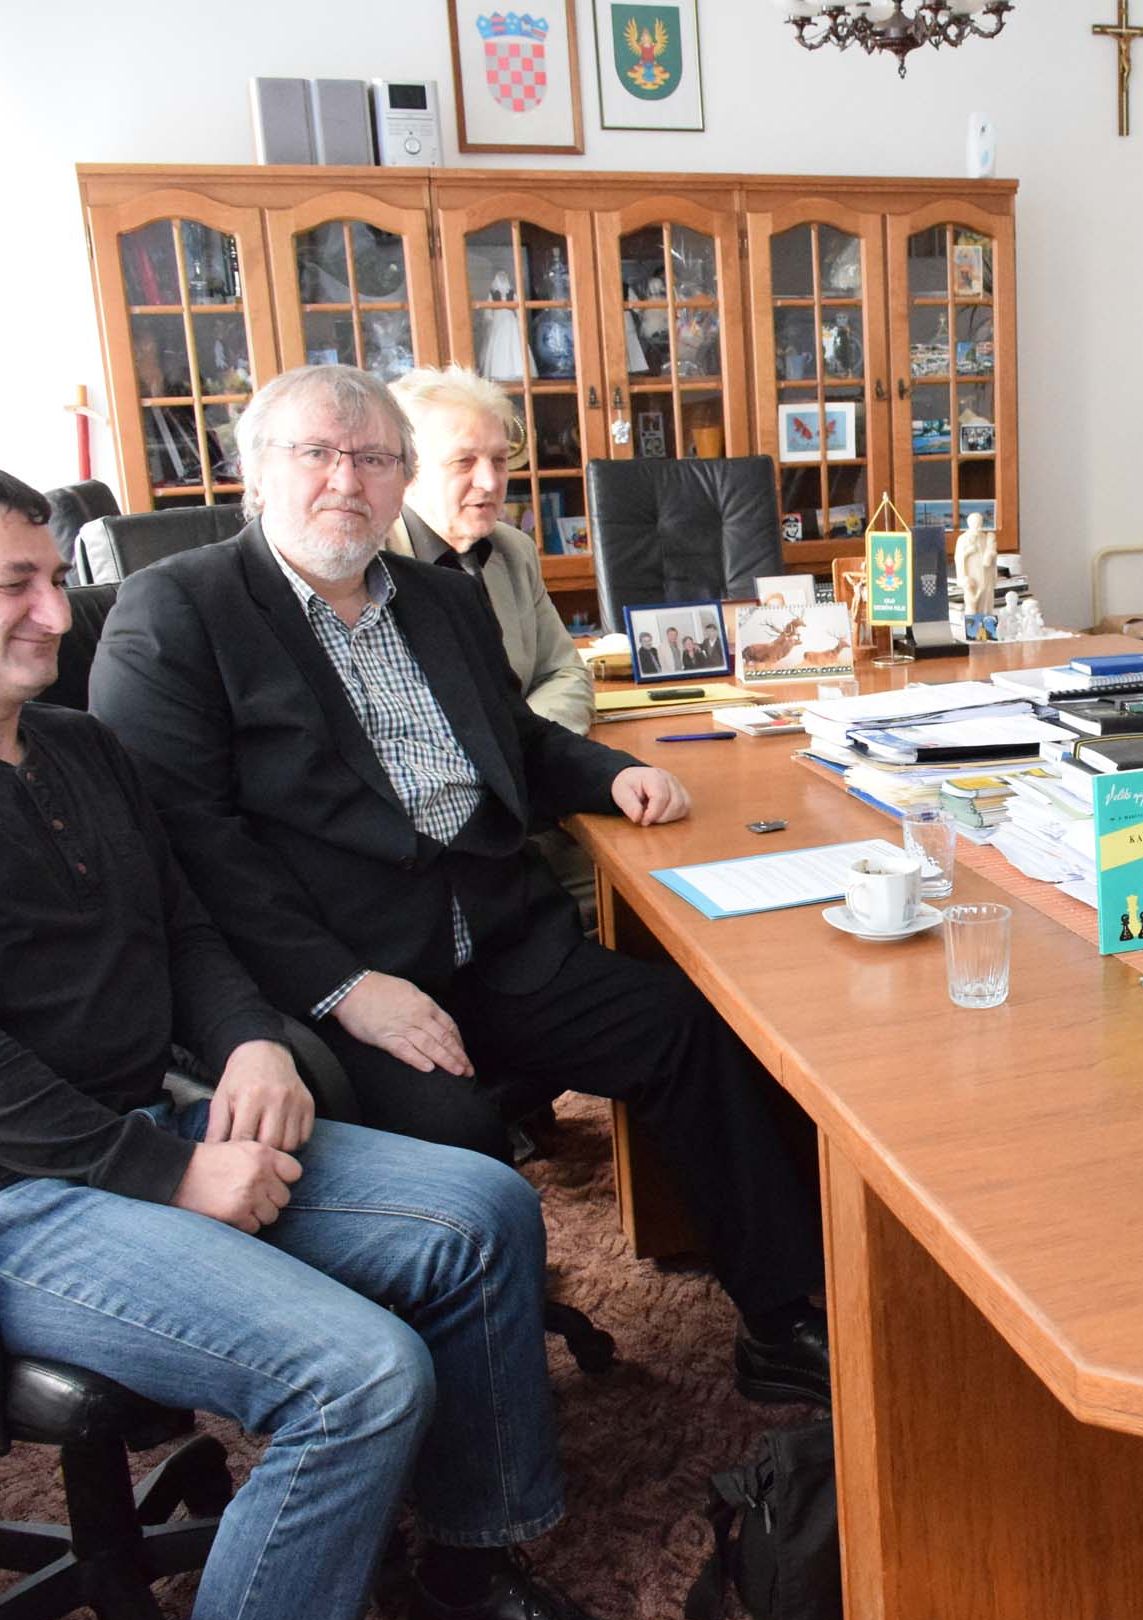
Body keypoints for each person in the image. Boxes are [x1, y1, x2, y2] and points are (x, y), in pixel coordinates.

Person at [90, 364, 830, 1408]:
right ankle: (485, 1416)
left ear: (402, 481)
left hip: (500, 938)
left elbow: (515, 737)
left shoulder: (441, 597)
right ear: (256, 473)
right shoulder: (177, 610)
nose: (346, 479)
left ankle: (780, 1318)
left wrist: (607, 774)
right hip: (342, 980)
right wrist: (345, 988)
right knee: (463, 1151)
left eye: (374, 458)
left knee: (688, 1026)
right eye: (317, 453)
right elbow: (186, 848)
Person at [0, 470, 638, 1620]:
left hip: (151, 1119)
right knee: (360, 1374)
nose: (53, 612)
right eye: (14, 587)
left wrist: (247, 1036)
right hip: (28, 1196)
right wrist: (166, 1173)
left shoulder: (79, 746)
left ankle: (465, 1579)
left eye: (48, 580)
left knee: (485, 1207)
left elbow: (187, 925)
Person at [386, 365, 598, 914]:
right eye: (464, 462)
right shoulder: (370, 567)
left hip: (531, 805)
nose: (489, 481)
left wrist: (517, 754)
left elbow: (564, 672)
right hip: (440, 842)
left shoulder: (511, 550)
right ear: (404, 471)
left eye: (500, 460)